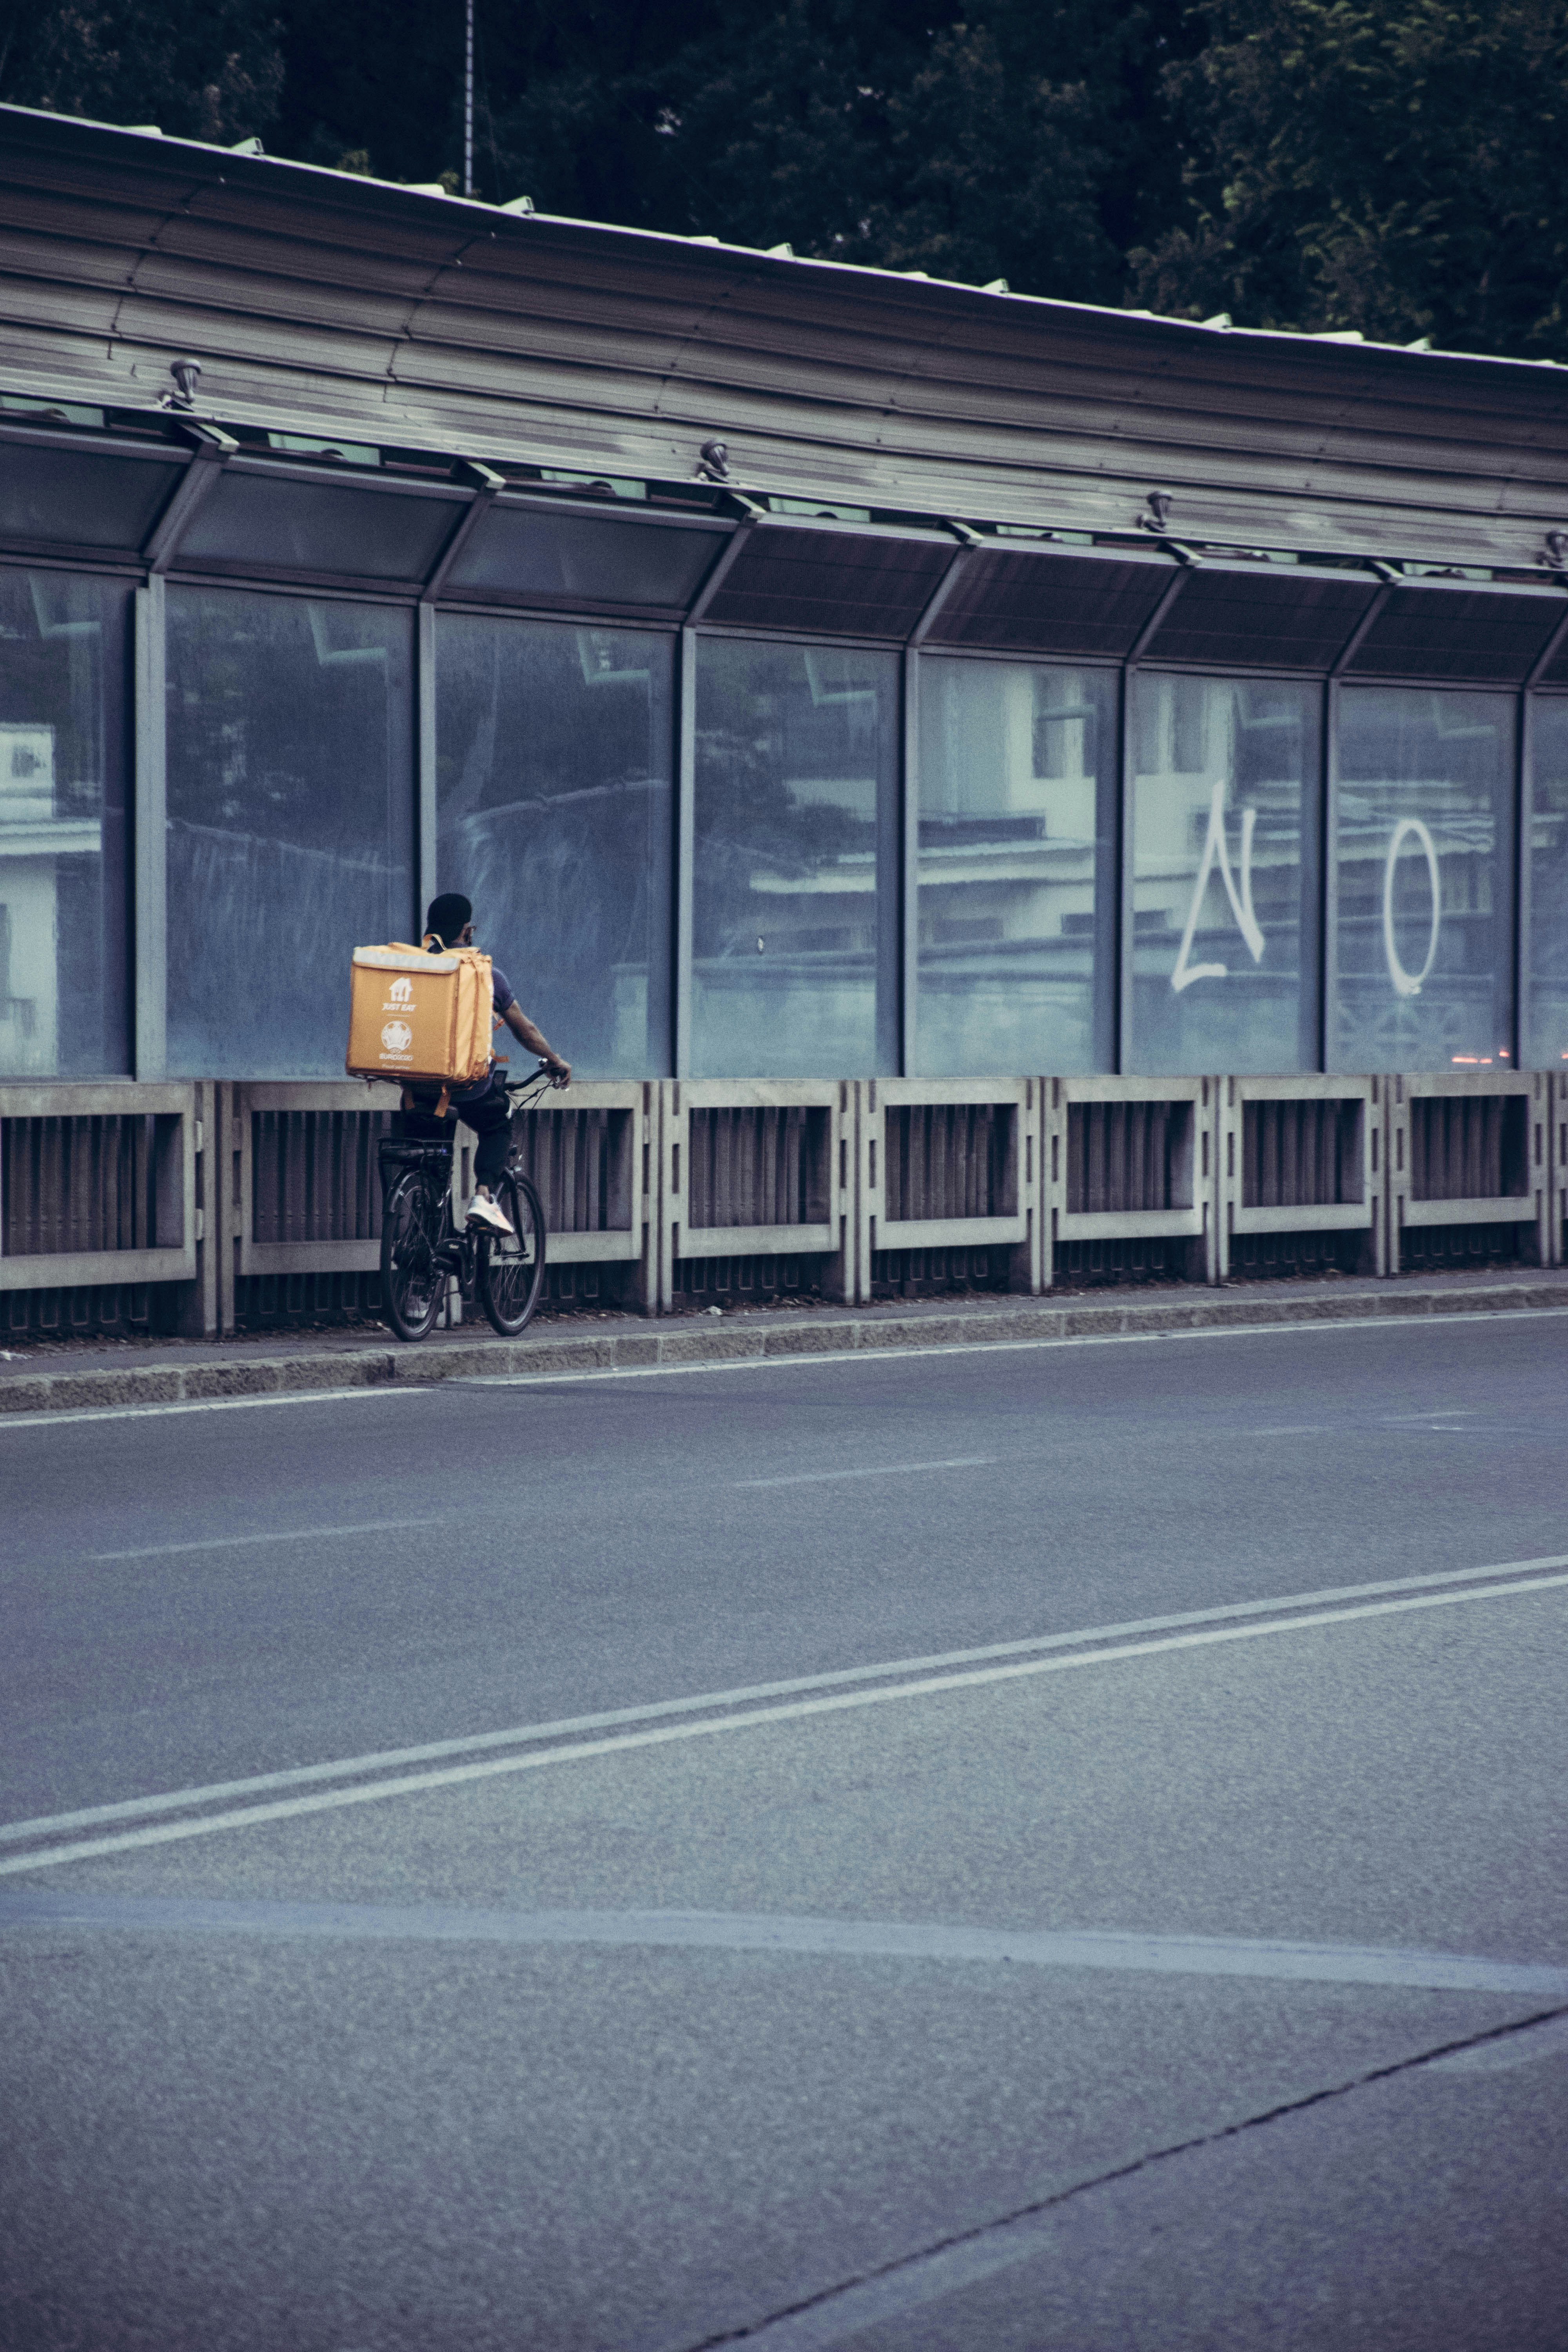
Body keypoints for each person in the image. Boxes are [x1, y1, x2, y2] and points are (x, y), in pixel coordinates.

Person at [399, 891, 570, 1235]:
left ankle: (426, 1242)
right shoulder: (486, 974)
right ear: (467, 931)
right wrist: (554, 1060)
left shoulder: (411, 969)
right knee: (498, 1125)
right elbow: (525, 1031)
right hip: (469, 1090)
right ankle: (483, 1197)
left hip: (419, 1091)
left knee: (432, 1163)